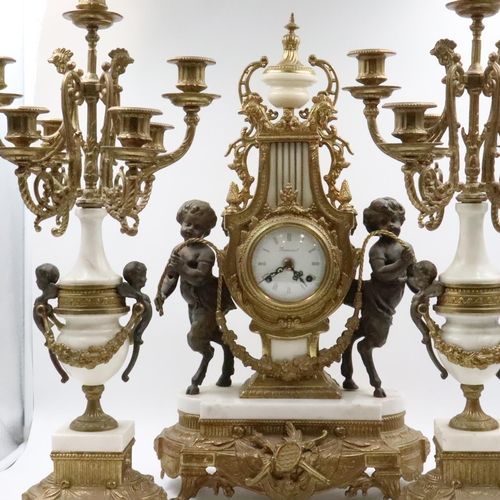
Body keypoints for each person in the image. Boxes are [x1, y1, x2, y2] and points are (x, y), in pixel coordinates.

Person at [155, 200, 235, 395]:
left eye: (197, 227)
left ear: (206, 231)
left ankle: (201, 369)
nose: (190, 229)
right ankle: (228, 353)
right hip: (192, 305)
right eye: (187, 223)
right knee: (210, 335)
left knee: (195, 338)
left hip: (206, 302)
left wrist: (182, 267)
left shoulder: (206, 252)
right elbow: (171, 276)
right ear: (181, 222)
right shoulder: (179, 249)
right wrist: (163, 293)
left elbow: (200, 278)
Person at [341, 197, 414, 397]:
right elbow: (381, 273)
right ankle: (375, 381)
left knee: (365, 333)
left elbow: (412, 274)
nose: (391, 225)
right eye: (383, 222)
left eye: (394, 220)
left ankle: (347, 362)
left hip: (389, 302)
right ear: (374, 227)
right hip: (377, 300)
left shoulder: (405, 247)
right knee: (374, 341)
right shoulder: (377, 249)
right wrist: (403, 263)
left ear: (401, 220)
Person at [407, 260, 447, 379]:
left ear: (426, 278)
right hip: (420, 319)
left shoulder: (433, 288)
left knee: (427, 338)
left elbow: (438, 289)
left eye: (418, 278)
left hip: (421, 318)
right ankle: (442, 370)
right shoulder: (423, 290)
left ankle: (442, 370)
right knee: (427, 338)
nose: (415, 280)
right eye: (415, 277)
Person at [34, 263, 68, 383]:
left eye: (39, 280)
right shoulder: (45, 296)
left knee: (50, 343)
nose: (36, 282)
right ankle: (63, 374)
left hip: (43, 318)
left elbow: (46, 313)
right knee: (50, 342)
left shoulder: (45, 296)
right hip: (43, 318)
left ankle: (63, 374)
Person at [117, 261, 152, 382]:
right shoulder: (127, 288)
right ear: (134, 277)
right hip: (137, 329)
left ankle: (126, 373)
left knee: (137, 341)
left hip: (138, 328)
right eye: (143, 275)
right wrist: (139, 295)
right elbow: (122, 288)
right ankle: (126, 373)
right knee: (136, 342)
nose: (145, 279)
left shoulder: (139, 294)